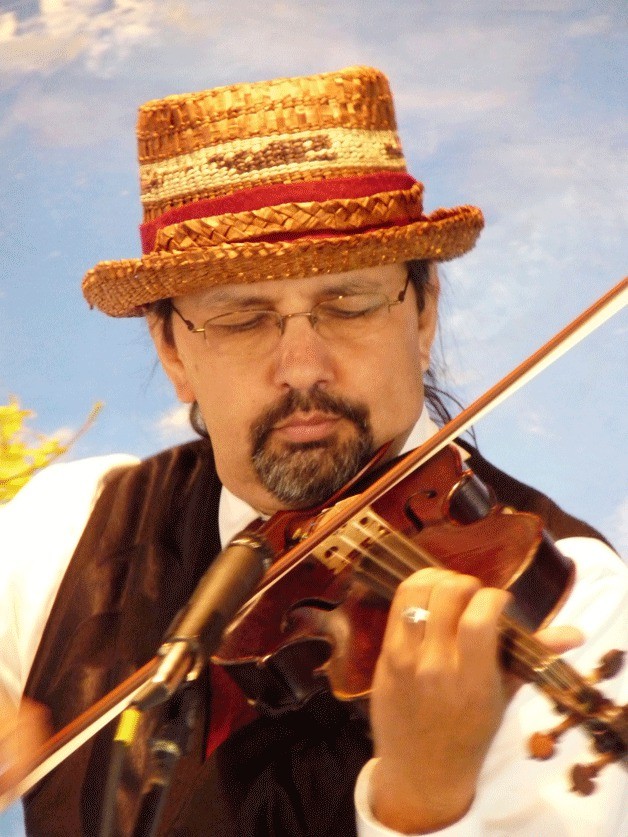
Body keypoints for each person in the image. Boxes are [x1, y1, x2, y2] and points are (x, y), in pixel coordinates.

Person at [0, 66, 626, 837]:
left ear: (423, 311)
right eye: (241, 318)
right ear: (171, 349)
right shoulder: (70, 528)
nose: (302, 365)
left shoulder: (565, 596)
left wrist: (423, 803)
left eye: (349, 301)